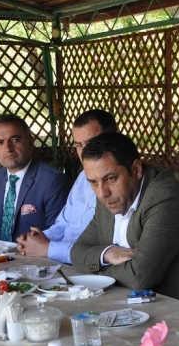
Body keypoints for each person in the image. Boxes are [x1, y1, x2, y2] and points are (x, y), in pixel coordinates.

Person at [71, 132, 179, 318]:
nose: (102, 192)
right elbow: (77, 251)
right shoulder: (109, 198)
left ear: (136, 170)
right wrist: (106, 254)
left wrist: (99, 269)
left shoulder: (166, 198)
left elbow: (139, 277)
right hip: (144, 307)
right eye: (93, 182)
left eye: (111, 178)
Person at [16, 110, 117, 263]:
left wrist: (49, 248)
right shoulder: (82, 177)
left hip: (88, 263)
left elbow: (105, 248)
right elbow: (64, 224)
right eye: (78, 145)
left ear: (113, 139)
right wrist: (37, 239)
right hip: (60, 257)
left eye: (91, 143)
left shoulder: (120, 184)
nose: (84, 151)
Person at [0, 114, 71, 241]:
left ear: (30, 142)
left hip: (34, 253)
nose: (8, 148)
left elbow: (57, 234)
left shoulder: (53, 181)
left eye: (15, 140)